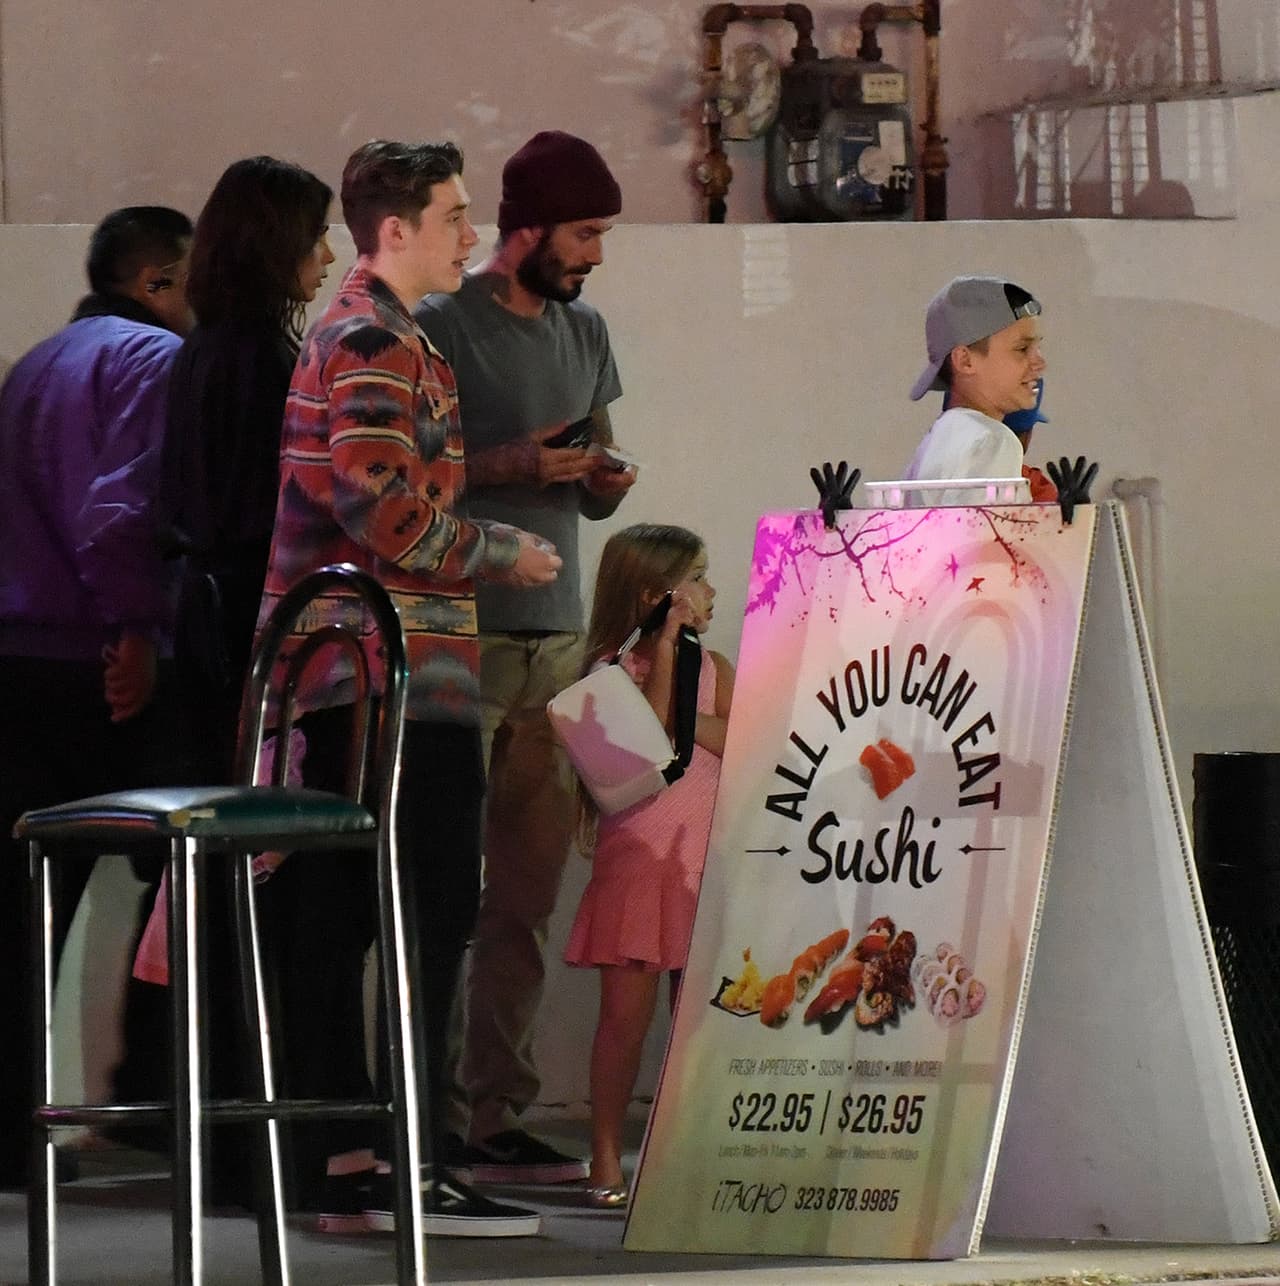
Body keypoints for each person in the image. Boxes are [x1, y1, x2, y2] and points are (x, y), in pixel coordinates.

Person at [255, 138, 560, 1238]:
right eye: (454, 215)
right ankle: (395, 1158)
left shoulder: (376, 330)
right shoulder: (374, 333)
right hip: (379, 673)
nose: (470, 236)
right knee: (415, 909)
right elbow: (378, 503)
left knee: (367, 912)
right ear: (396, 231)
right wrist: (500, 552)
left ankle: (365, 1157)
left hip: (377, 671)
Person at [415, 129, 636, 1185]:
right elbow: (404, 478)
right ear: (530, 224)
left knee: (526, 898)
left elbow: (589, 456)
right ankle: (420, 1112)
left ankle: (493, 1109)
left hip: (553, 636)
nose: (595, 252)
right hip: (460, 636)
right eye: (585, 230)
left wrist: (598, 481)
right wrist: (513, 461)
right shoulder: (439, 327)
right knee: (441, 890)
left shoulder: (584, 330)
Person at [0, 205, 195, 1188]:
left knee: (27, 901)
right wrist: (135, 630)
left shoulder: (35, 362)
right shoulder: (153, 361)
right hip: (94, 656)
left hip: (16, 652)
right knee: (192, 868)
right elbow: (119, 505)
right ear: (158, 281)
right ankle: (160, 1095)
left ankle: (8, 1129)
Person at [562, 523, 735, 1207]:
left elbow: (741, 732)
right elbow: (658, 737)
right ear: (656, 594)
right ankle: (604, 1155)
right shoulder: (606, 674)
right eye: (695, 577)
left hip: (698, 857)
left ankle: (679, 1153)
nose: (710, 590)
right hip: (638, 861)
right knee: (624, 1022)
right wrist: (663, 647)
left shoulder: (715, 666)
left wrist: (693, 707)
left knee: (695, 1022)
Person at [162, 155, 335, 776]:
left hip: (206, 614)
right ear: (275, 243)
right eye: (316, 236)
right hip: (247, 619)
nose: (328, 255)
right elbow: (271, 508)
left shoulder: (205, 347)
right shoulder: (260, 359)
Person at [904, 274, 1046, 496]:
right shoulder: (993, 441)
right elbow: (988, 530)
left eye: (1038, 348)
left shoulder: (938, 438)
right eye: (1022, 349)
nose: (1040, 363)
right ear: (965, 360)